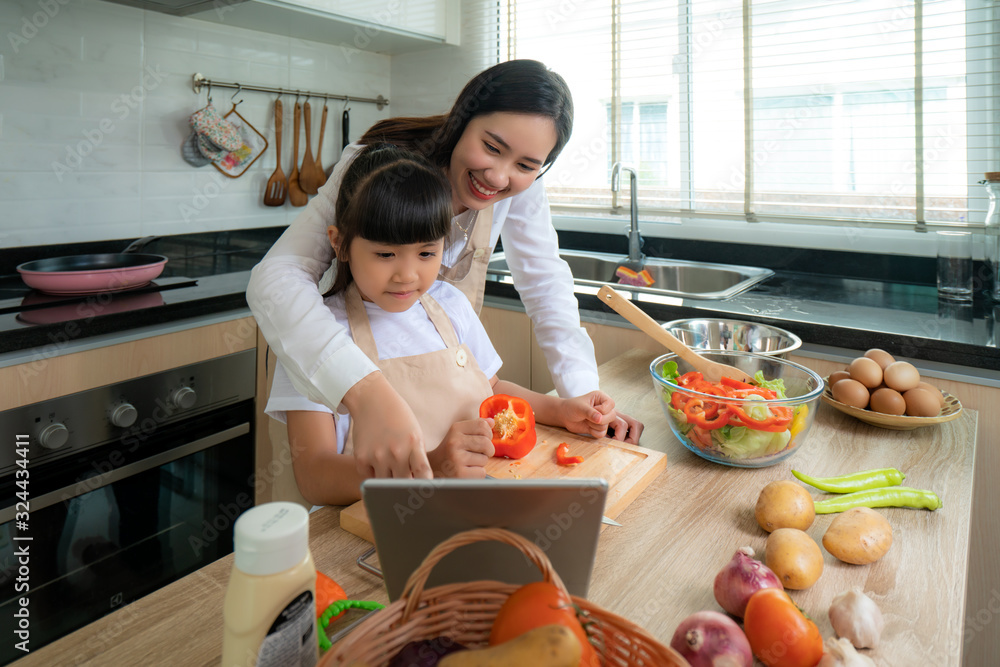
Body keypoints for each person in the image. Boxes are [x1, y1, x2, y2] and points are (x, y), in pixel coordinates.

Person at [248, 59, 643, 481]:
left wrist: (583, 398)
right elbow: (278, 278)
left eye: (526, 166)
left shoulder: (447, 305)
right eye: (491, 147)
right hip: (328, 361)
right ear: (461, 120)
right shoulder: (376, 166)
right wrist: (364, 392)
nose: (498, 175)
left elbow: (545, 284)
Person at [264, 145, 620, 505]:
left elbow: (492, 388)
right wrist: (431, 468)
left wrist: (560, 410)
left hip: (472, 504)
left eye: (426, 253)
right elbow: (315, 476)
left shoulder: (450, 305)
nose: (407, 275)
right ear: (339, 244)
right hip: (376, 529)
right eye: (386, 254)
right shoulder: (311, 337)